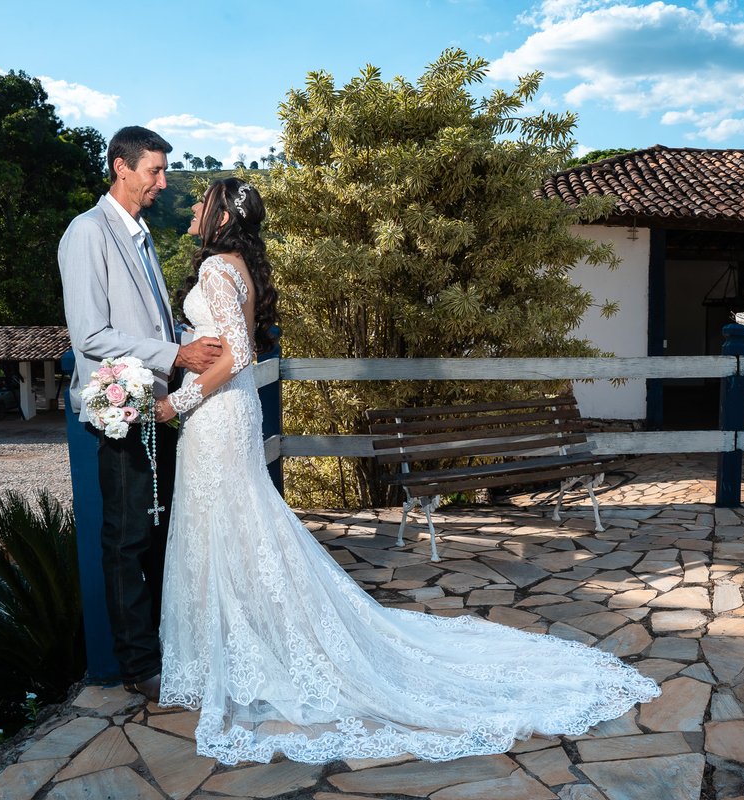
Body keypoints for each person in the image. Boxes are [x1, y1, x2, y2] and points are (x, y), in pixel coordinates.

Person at [154, 177, 659, 766]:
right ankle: (245, 641)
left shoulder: (217, 267)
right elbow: (236, 348)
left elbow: (238, 356)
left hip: (216, 414)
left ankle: (243, 648)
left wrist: (174, 403)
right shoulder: (240, 264)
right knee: (243, 529)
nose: (190, 205)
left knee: (231, 528)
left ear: (220, 215)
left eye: (200, 200)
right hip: (233, 413)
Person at [59, 126, 222, 703]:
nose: (162, 181)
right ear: (121, 168)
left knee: (158, 534)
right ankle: (135, 664)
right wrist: (174, 353)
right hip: (120, 407)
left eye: (163, 171)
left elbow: (152, 320)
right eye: (153, 170)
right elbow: (92, 334)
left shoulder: (142, 234)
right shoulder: (87, 233)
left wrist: (192, 338)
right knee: (127, 538)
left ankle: (164, 646)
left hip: (159, 407)